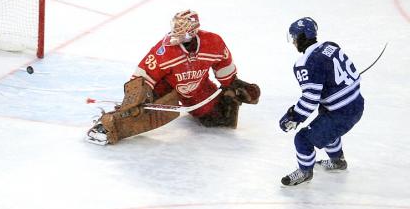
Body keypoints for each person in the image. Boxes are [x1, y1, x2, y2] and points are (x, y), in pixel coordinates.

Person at [86, 10, 260, 145]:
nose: (176, 31)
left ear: (193, 30)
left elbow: (224, 67)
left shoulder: (213, 43)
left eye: (182, 28)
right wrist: (135, 100)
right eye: (176, 27)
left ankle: (218, 104)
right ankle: (108, 126)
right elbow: (141, 76)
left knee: (220, 119)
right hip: (166, 87)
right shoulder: (164, 50)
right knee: (142, 112)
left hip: (198, 90)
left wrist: (234, 85)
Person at [279, 17, 364, 186]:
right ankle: (338, 161)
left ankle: (305, 172)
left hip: (341, 114)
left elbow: (310, 99)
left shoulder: (305, 63)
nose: (294, 42)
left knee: (302, 139)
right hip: (357, 103)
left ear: (302, 37)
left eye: (295, 38)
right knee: (325, 121)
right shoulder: (331, 46)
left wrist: (293, 117)